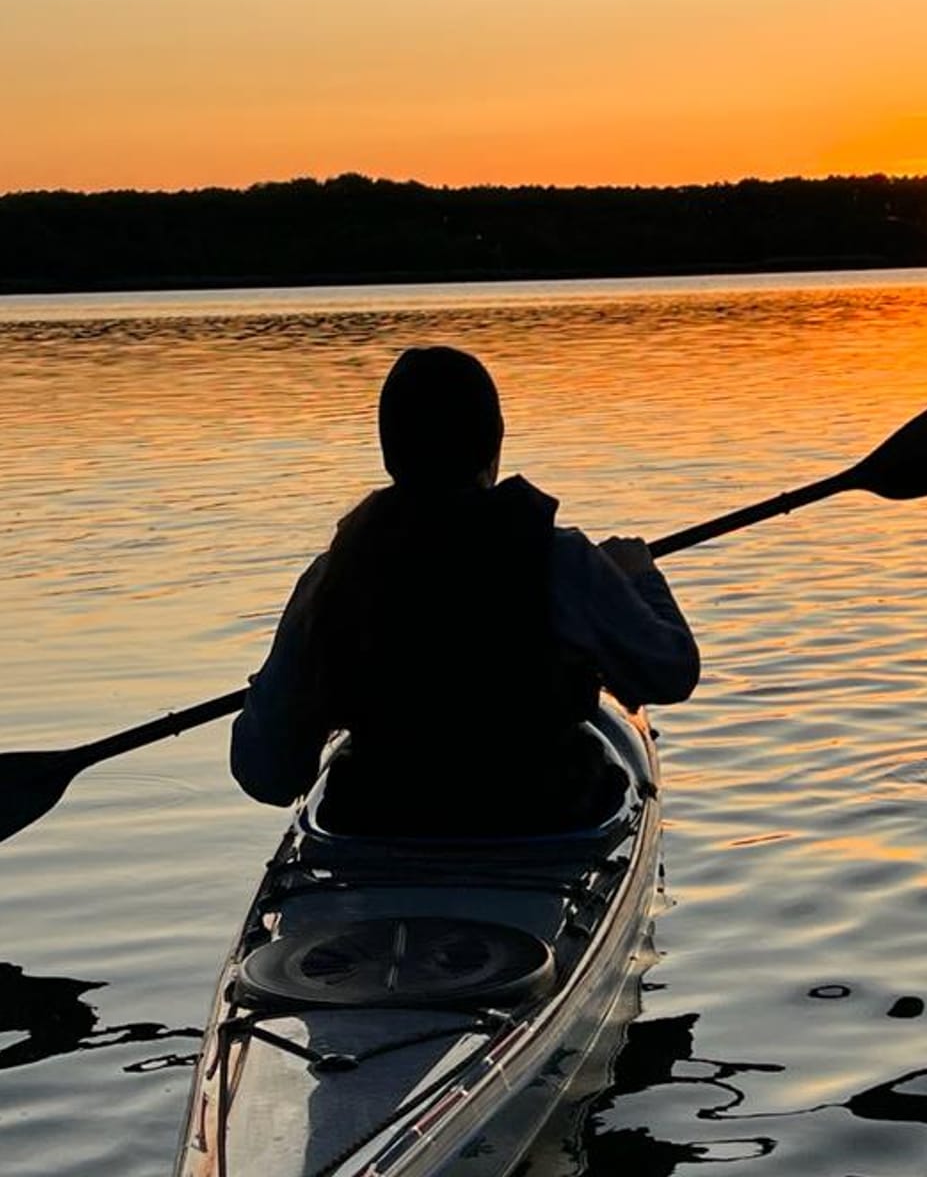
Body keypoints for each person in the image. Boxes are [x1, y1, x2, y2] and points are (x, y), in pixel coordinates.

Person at [231, 345, 699, 834]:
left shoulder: (334, 577)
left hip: (377, 822)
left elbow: (267, 774)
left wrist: (283, 696)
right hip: (543, 819)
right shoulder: (561, 560)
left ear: (390, 452)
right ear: (495, 442)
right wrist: (639, 575)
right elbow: (671, 672)